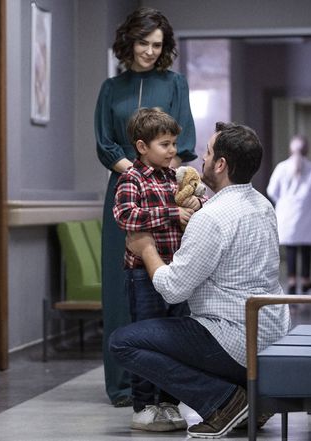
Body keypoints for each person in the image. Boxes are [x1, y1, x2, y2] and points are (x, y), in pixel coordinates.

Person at [110, 122, 290, 438]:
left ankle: (224, 402)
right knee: (178, 330)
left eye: (207, 152)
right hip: (271, 334)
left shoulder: (211, 217)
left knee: (122, 342)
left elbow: (173, 290)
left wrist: (146, 249)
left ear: (221, 164)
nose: (201, 159)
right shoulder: (263, 205)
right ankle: (252, 399)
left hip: (234, 340)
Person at [94, 6, 197, 407]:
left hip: (166, 191)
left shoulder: (175, 83)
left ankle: (167, 383)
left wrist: (158, 173)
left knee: (167, 285)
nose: (150, 51)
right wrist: (136, 172)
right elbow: (105, 143)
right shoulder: (110, 88)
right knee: (120, 289)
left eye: (157, 45)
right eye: (143, 43)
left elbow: (183, 140)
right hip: (124, 189)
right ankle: (124, 385)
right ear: (129, 43)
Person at [113, 108, 201, 431]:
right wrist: (171, 213)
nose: (172, 150)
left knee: (175, 340)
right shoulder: (131, 179)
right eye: (165, 144)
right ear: (141, 146)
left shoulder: (172, 177)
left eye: (174, 143)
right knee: (146, 338)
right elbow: (126, 216)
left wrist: (195, 205)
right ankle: (144, 405)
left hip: (175, 273)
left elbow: (194, 205)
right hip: (143, 275)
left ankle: (169, 402)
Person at [267, 135, 311, 294]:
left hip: (287, 213)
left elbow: (271, 190)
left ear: (290, 150)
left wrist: (283, 201)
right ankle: (305, 280)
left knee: (291, 247)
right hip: (307, 213)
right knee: (306, 247)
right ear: (307, 150)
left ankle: (291, 280)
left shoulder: (281, 167)